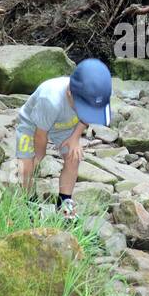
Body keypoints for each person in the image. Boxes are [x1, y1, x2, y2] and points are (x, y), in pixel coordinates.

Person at [14, 58, 113, 219]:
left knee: (74, 157)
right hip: (33, 123)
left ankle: (64, 203)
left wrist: (75, 138)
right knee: (27, 163)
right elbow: (40, 134)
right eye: (84, 108)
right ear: (69, 93)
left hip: (66, 125)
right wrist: (39, 156)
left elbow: (87, 117)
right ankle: (29, 201)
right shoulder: (50, 99)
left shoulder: (98, 92)